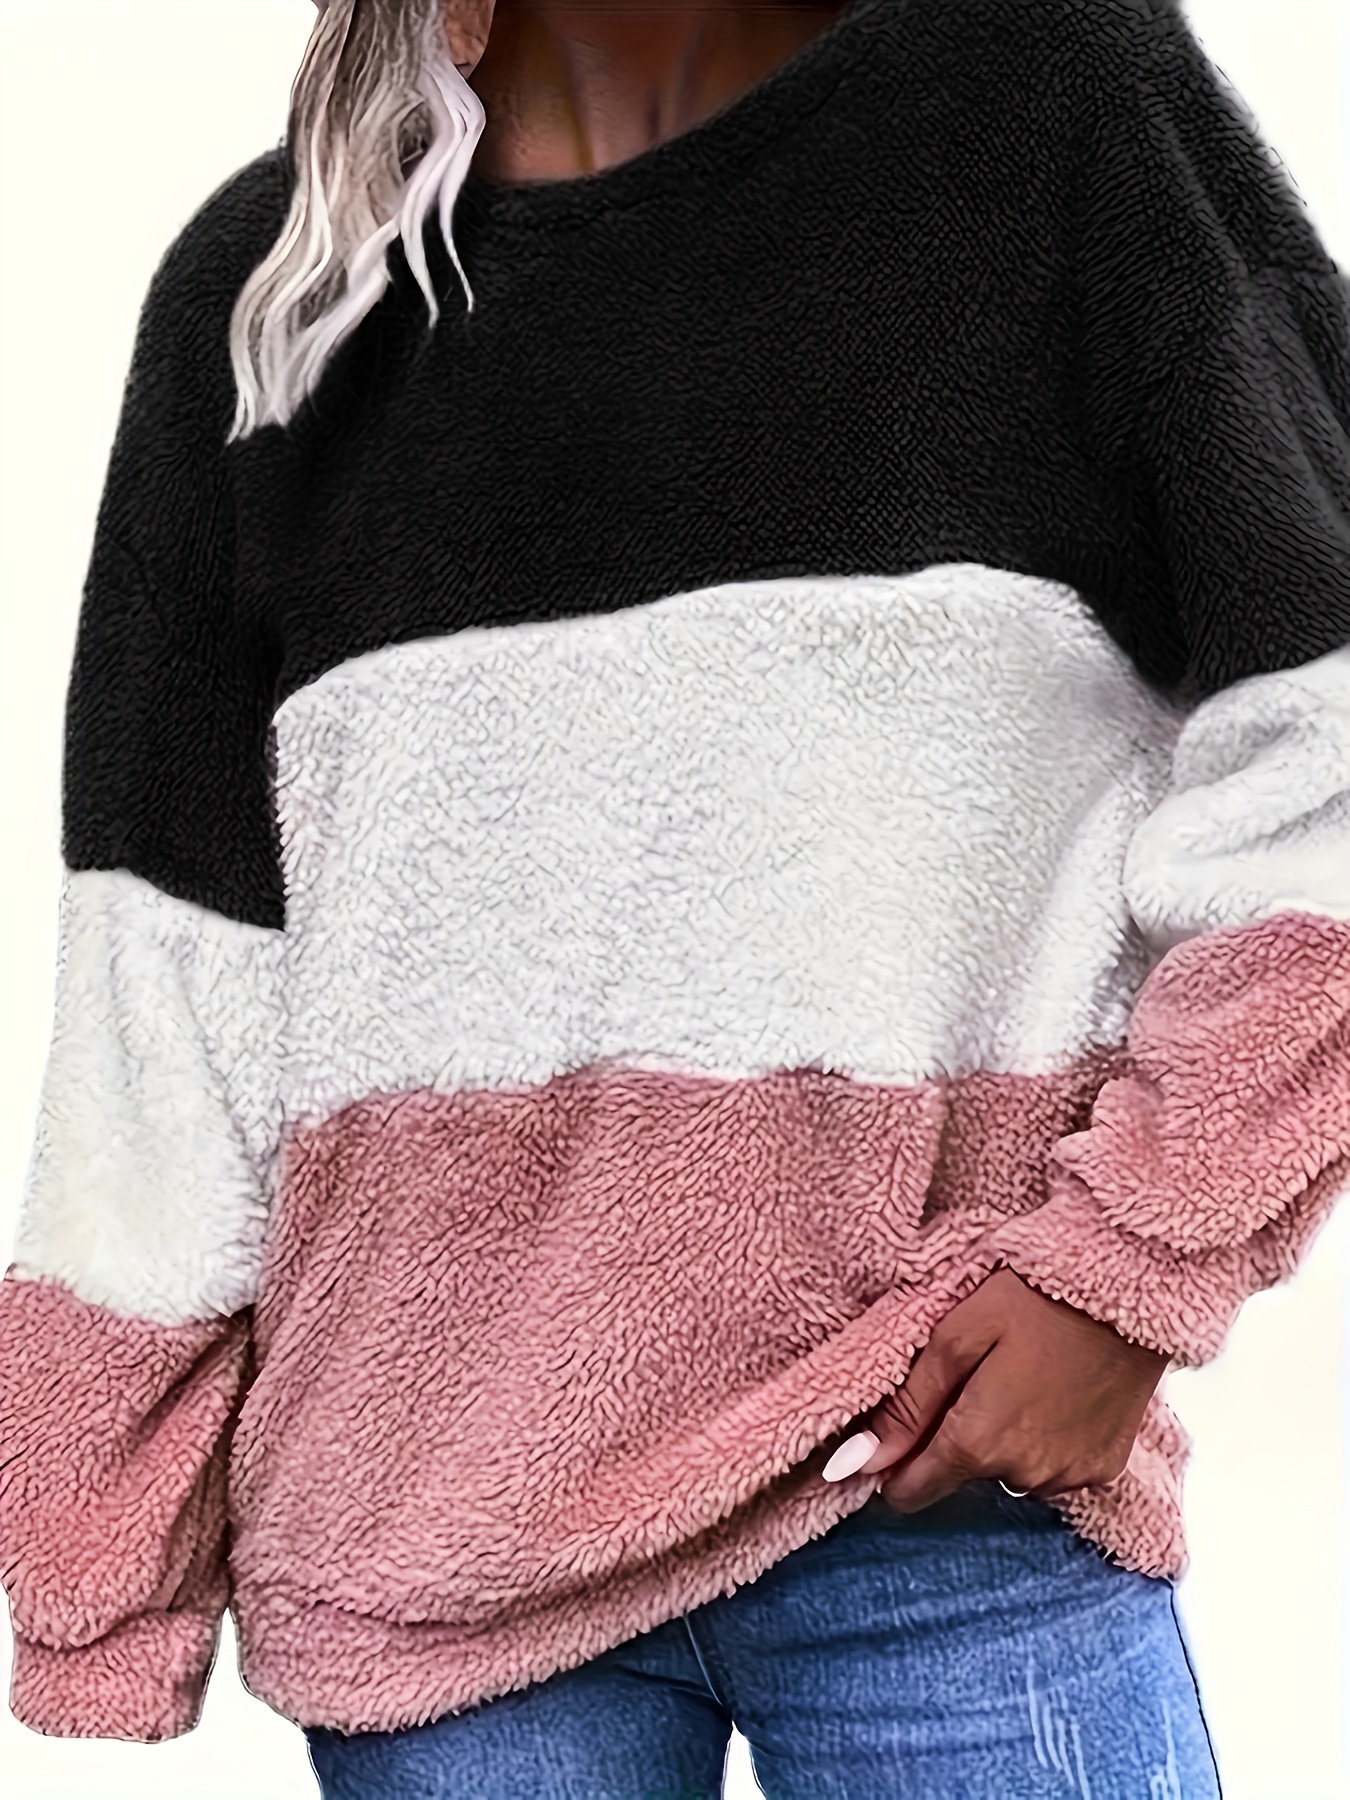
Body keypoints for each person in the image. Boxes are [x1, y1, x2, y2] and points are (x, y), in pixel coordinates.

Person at [2, 0, 1347, 1793]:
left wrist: (1126, 1273)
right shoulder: (274, 299)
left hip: (929, 1486)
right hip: (429, 1551)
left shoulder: (1049, 106)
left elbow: (1324, 728)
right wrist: (102, 1548)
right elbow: (169, 968)